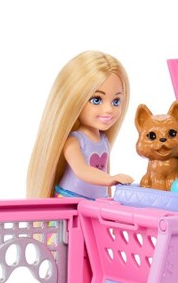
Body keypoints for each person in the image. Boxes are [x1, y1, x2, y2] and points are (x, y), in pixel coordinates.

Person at [26, 50, 134, 199]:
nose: (109, 109)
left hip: (96, 201)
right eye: (96, 100)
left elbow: (104, 172)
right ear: (74, 100)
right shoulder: (75, 141)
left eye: (116, 101)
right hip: (70, 198)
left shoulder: (104, 141)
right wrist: (110, 179)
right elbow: (81, 170)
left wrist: (108, 192)